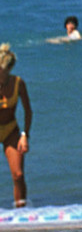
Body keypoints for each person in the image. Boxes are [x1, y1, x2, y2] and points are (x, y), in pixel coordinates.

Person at [0, 45, 31, 207]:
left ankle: (21, 210)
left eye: (5, 71)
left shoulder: (18, 83)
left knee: (18, 175)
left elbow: (28, 111)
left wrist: (25, 135)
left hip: (10, 130)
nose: (1, 74)